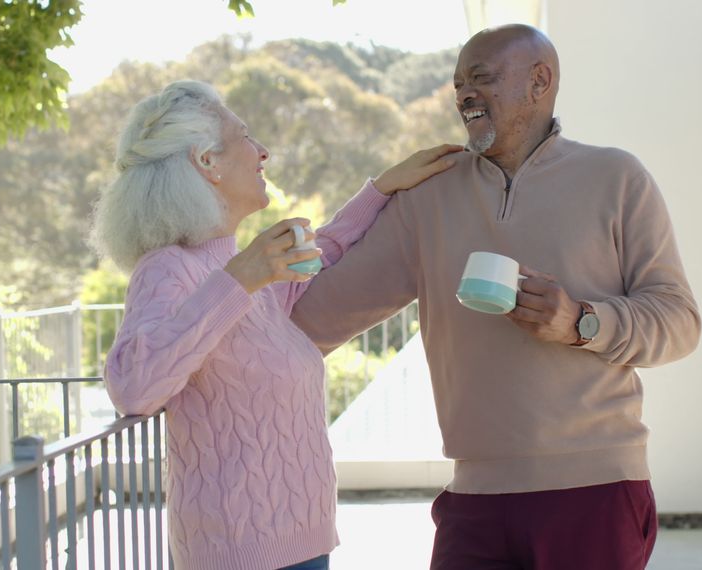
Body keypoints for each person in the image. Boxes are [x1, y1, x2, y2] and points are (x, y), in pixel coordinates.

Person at [290, 25, 702, 570]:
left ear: (540, 81)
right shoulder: (427, 194)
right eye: (458, 83)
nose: (463, 94)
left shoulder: (617, 177)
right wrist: (378, 190)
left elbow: (679, 320)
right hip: (475, 499)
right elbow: (312, 317)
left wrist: (581, 321)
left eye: (480, 78)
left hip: (598, 488)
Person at [91, 79, 461, 570]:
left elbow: (326, 248)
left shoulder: (249, 273)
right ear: (208, 161)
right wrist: (240, 278)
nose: (262, 152)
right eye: (246, 137)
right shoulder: (169, 268)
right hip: (237, 557)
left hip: (306, 544)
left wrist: (382, 187)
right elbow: (134, 387)